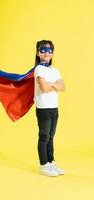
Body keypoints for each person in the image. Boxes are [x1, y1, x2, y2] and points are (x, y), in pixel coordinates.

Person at [34, 40, 65, 177]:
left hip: (54, 107)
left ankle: (51, 162)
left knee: (51, 137)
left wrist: (50, 84)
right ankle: (44, 165)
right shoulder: (39, 69)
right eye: (43, 50)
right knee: (44, 136)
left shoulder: (54, 70)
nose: (47, 53)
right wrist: (54, 85)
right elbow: (44, 88)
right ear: (38, 52)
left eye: (49, 50)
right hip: (44, 108)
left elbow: (63, 87)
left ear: (53, 53)